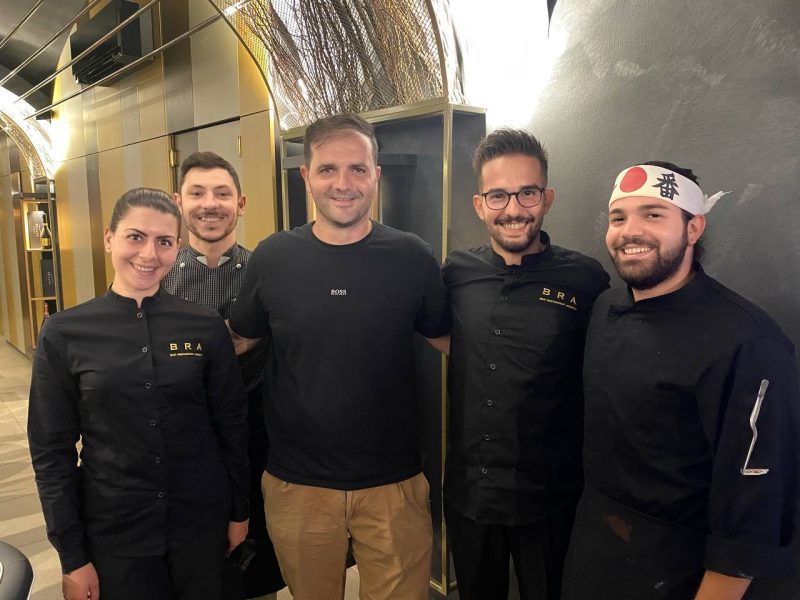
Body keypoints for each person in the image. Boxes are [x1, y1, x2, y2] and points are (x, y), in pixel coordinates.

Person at [228, 113, 449, 600]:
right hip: (298, 487)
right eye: (328, 169)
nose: (343, 183)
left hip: (394, 486)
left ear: (376, 175)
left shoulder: (413, 257)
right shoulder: (273, 257)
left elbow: (451, 341)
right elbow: (239, 340)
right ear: (306, 176)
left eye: (357, 169)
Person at [562, 163, 800, 600]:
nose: (630, 231)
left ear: (693, 228)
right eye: (618, 217)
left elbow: (753, 510)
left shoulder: (749, 343)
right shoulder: (605, 307)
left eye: (653, 214)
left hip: (678, 570)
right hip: (592, 549)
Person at [28, 188, 249, 600]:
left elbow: (231, 427)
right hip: (115, 531)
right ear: (109, 238)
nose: (149, 254)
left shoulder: (203, 326)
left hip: (201, 524)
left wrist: (240, 512)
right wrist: (72, 556)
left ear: (177, 248)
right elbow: (51, 453)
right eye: (135, 237)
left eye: (163, 241)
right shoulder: (64, 333)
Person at [437, 129, 608, 600]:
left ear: (546, 198)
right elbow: (441, 336)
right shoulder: (456, 273)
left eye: (527, 193)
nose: (513, 209)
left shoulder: (586, 279)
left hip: (550, 496)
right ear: (479, 205)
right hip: (471, 490)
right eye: (498, 196)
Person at [162, 151, 284, 599]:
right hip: (182, 443)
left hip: (258, 440)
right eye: (197, 193)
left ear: (241, 204)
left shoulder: (268, 273)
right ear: (179, 202)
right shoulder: (156, 278)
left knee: (258, 572)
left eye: (222, 193)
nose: (210, 204)